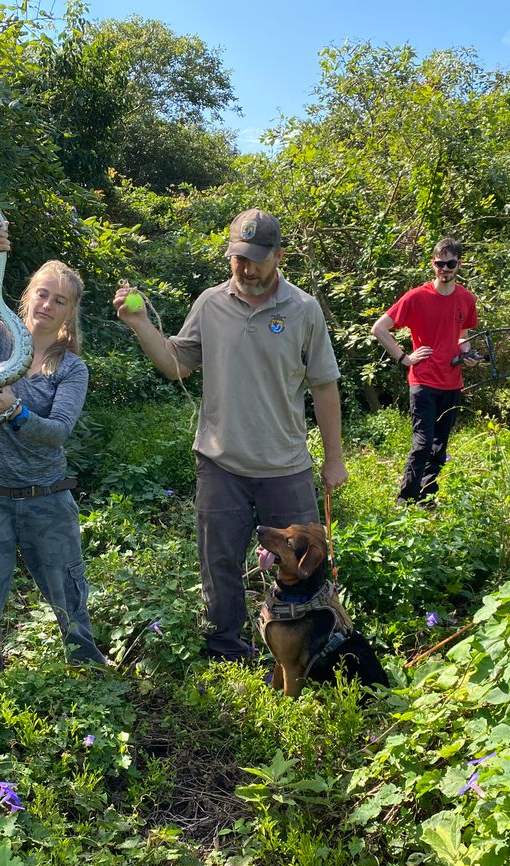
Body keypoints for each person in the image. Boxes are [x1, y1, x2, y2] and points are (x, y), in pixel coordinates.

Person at [112, 208, 348, 662]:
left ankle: (307, 647)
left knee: (305, 560)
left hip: (286, 464)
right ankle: (225, 645)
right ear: (229, 254)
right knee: (218, 561)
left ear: (279, 255)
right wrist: (141, 325)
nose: (247, 267)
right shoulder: (210, 304)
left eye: (258, 258)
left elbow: (323, 384)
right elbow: (178, 363)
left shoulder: (303, 309)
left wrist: (333, 457)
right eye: (239, 257)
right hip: (220, 461)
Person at [0, 215, 106, 678]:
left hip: (46, 498)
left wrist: (15, 411)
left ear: (69, 312)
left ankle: (87, 670)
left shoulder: (71, 368)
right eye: (42, 293)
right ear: (27, 295)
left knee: (69, 591)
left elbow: (57, 431)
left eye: (60, 300)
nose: (48, 304)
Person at [371, 237, 483, 503]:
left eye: (450, 263)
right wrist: (404, 358)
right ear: (433, 264)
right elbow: (379, 329)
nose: (445, 269)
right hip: (423, 381)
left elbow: (462, 337)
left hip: (452, 383)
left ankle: (426, 498)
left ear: (459, 264)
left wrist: (469, 356)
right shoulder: (417, 297)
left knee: (439, 446)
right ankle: (405, 501)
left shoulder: (466, 298)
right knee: (422, 444)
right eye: (440, 264)